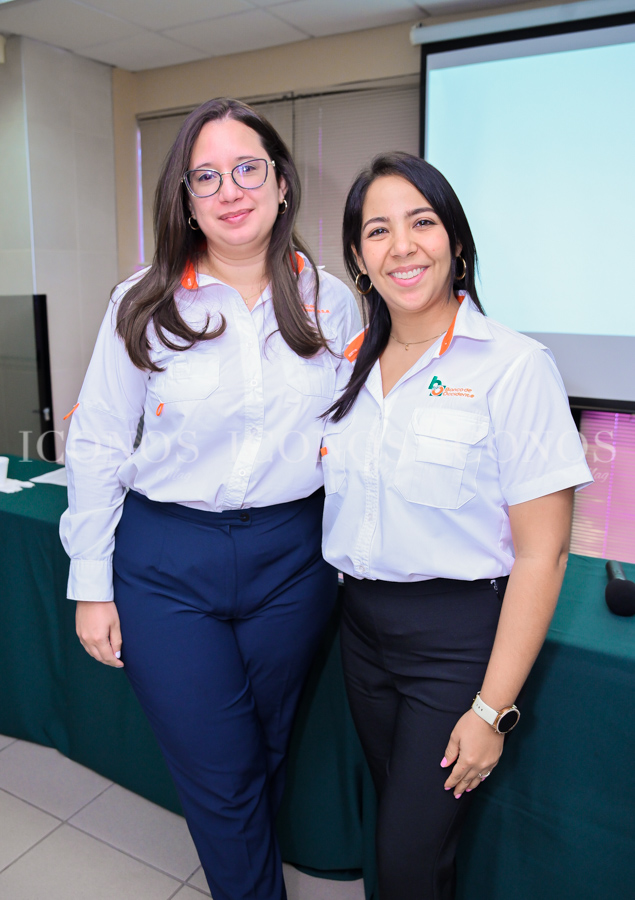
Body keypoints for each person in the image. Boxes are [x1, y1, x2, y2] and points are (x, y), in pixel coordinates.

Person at [60, 98, 360, 900]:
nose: (229, 189)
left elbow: (358, 440)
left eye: (247, 168)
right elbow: (95, 442)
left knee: (264, 750)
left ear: (282, 183)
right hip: (167, 563)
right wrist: (91, 581)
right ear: (184, 200)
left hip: (292, 562)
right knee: (220, 771)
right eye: (205, 176)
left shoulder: (332, 302)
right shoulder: (144, 302)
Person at [320, 152, 592, 900]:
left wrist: (490, 710)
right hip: (360, 629)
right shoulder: (346, 367)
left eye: (422, 222)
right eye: (377, 230)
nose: (401, 245)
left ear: (456, 242)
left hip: (456, 641)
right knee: (410, 840)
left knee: (403, 862)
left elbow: (543, 555)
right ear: (358, 258)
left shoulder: (514, 366)